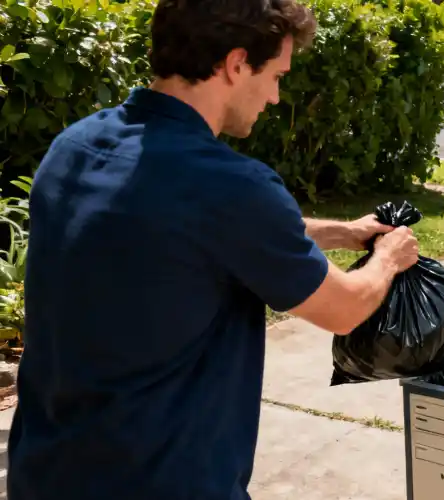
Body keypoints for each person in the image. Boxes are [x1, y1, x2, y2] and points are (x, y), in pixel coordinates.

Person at [6, 0, 419, 498]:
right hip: (160, 482)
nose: (275, 96)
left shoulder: (77, 147)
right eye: (276, 75)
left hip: (47, 471)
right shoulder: (230, 186)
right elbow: (346, 307)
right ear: (236, 63)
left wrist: (342, 232)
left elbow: (185, 231)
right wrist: (389, 256)